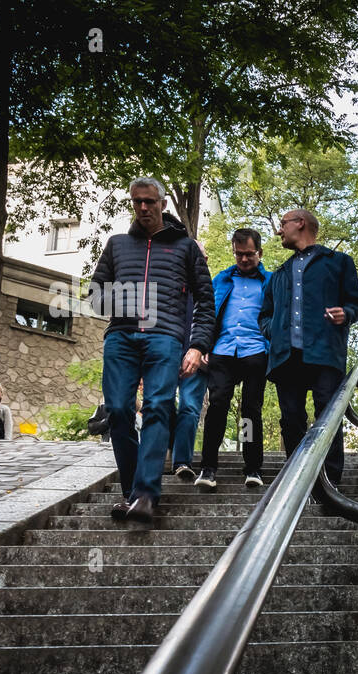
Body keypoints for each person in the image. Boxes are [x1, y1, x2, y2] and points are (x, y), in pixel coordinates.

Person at [89, 176, 215, 524]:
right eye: (137, 202)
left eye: (149, 201)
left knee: (159, 406)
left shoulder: (186, 248)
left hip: (166, 338)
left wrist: (198, 346)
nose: (143, 207)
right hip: (121, 337)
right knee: (117, 410)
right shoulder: (116, 245)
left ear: (162, 204)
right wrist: (128, 299)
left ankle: (146, 494)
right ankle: (131, 493)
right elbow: (95, 296)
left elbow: (206, 301)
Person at [258, 208, 358, 493]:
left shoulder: (339, 263)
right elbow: (264, 315)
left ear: (300, 224)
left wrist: (347, 313)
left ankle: (330, 485)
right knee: (291, 420)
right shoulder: (277, 275)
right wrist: (274, 331)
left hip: (324, 353)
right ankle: (297, 483)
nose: (279, 231)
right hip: (285, 357)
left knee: (327, 419)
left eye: (282, 224)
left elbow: (357, 303)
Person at [195, 228, 270, 490]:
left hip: (255, 352)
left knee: (250, 412)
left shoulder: (270, 282)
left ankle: (252, 468)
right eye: (239, 255)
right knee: (216, 406)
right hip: (223, 351)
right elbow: (206, 314)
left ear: (260, 253)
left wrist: (271, 349)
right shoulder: (222, 280)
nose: (244, 259)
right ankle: (208, 467)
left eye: (249, 254)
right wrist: (203, 345)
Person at [169, 240, 213, 481]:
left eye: (202, 257)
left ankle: (181, 462)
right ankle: (162, 453)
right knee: (160, 406)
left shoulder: (213, 287)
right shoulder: (167, 285)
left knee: (189, 408)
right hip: (166, 355)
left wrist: (208, 348)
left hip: (199, 358)